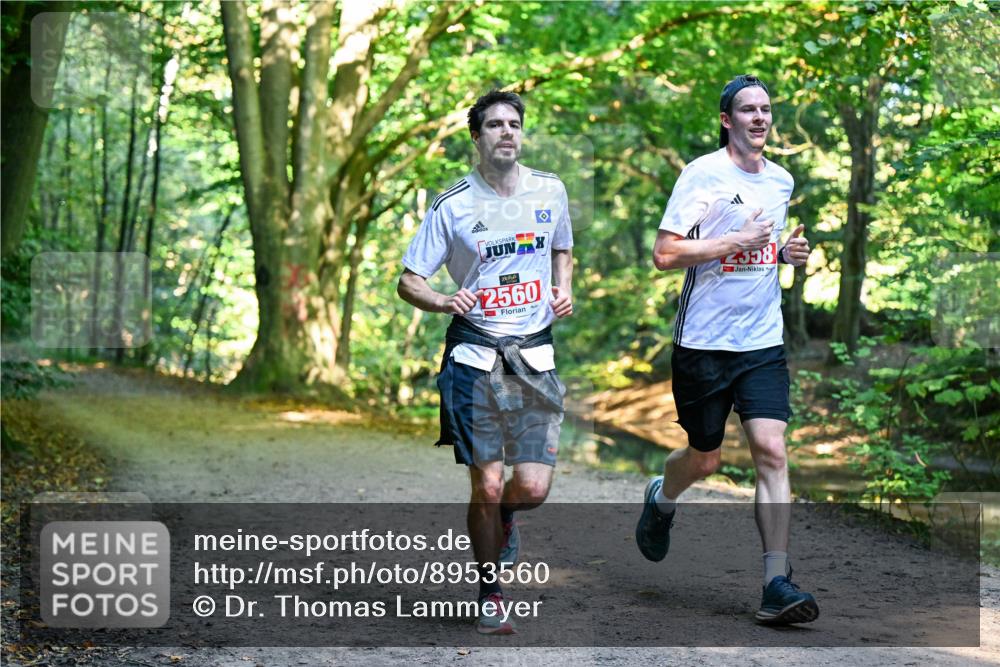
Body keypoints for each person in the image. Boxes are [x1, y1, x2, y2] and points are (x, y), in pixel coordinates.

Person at [636, 74, 818, 625]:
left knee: (772, 450)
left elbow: (764, 248)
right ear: (726, 119)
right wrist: (730, 243)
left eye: (766, 109)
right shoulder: (702, 174)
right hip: (704, 342)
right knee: (706, 456)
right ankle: (661, 498)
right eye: (748, 110)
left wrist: (786, 254)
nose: (760, 118)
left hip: (762, 339)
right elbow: (665, 255)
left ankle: (775, 582)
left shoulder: (781, 180)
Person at [397, 89, 574, 635]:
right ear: (477, 137)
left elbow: (561, 247)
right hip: (474, 357)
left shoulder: (551, 191)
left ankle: (507, 520)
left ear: (522, 133)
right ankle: (490, 590)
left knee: (533, 488)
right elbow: (409, 281)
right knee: (488, 484)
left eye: (513, 124)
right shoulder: (452, 205)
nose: (506, 132)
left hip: (534, 356)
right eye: (494, 124)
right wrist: (445, 300)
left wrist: (563, 288)